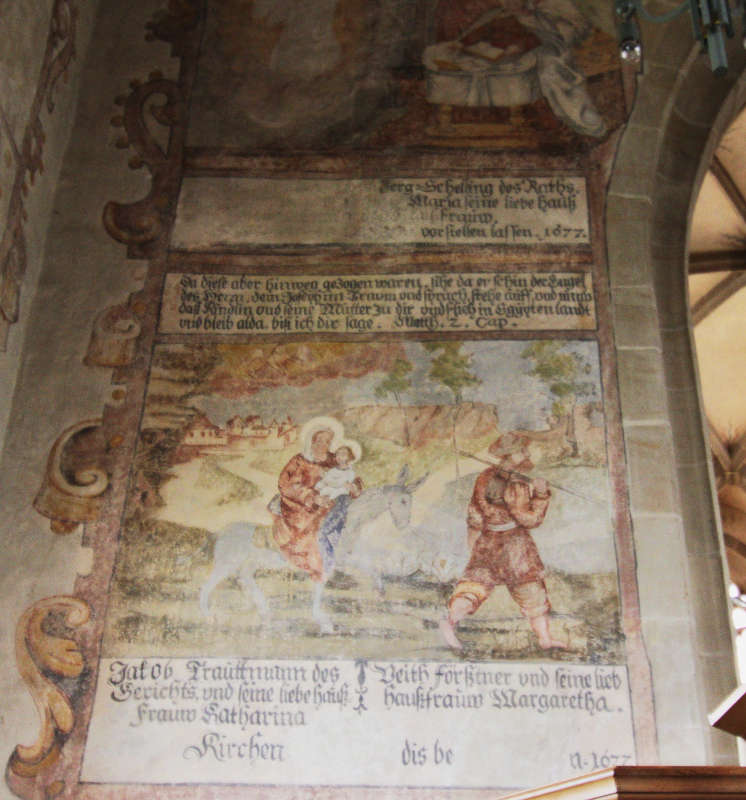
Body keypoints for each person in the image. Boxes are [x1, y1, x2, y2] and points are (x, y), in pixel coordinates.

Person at [439, 432, 567, 650]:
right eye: (522, 450)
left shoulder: (485, 476)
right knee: (531, 590)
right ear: (511, 454)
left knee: (474, 586)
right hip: (515, 546)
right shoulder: (516, 484)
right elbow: (530, 520)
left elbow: (475, 514)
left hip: (487, 541)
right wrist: (541, 494)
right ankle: (545, 639)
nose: (527, 454)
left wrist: (474, 544)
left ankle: (450, 622)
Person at [271, 418, 362, 582]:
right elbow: (285, 484)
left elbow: (350, 475)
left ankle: (339, 567)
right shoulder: (299, 461)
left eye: (327, 441)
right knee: (314, 528)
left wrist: (355, 487)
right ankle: (316, 569)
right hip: (301, 506)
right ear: (312, 440)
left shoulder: (335, 459)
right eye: (319, 440)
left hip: (331, 502)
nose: (323, 444)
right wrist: (312, 497)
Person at [315, 442, 362, 575]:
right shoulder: (332, 471)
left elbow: (342, 486)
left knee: (324, 534)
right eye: (338, 454)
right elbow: (323, 483)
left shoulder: (350, 473)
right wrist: (319, 488)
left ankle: (330, 566)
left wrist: (329, 481)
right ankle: (332, 567)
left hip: (341, 502)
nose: (340, 456)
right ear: (335, 457)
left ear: (350, 457)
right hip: (328, 500)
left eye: (344, 454)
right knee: (333, 537)